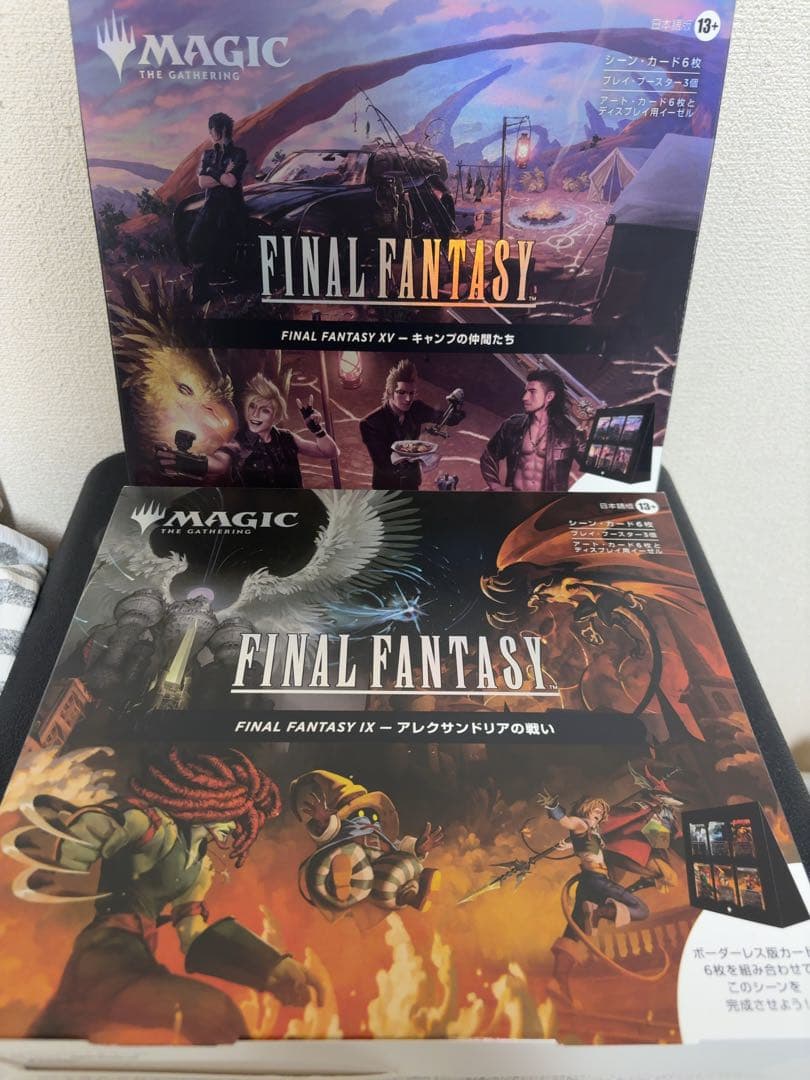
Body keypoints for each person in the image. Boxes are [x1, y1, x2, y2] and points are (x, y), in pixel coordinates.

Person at [27, 748, 319, 1043]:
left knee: (59, 1031)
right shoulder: (152, 827)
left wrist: (270, 966)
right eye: (235, 816)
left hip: (137, 960)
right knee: (212, 1013)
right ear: (212, 801)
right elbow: (94, 828)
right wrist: (61, 865)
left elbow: (192, 935)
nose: (235, 828)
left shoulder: (198, 870)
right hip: (104, 952)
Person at [537, 790, 650, 1005]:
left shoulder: (588, 831)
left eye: (602, 811)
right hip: (597, 882)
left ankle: (558, 981)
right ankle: (599, 912)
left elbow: (585, 845)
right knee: (642, 910)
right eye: (596, 809)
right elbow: (568, 822)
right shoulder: (581, 824)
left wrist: (571, 845)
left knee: (573, 934)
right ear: (586, 809)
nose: (600, 812)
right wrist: (554, 808)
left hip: (588, 884)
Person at [156, 372, 339, 487]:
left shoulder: (287, 438)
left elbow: (331, 453)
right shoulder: (239, 441)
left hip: (292, 512)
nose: (255, 414)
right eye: (252, 406)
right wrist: (184, 461)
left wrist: (317, 430)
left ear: (275, 417)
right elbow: (219, 464)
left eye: (265, 410)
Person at [360, 359, 464, 490]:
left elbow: (446, 419)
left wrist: (456, 405)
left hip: (412, 484)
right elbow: (384, 465)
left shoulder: (416, 408)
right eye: (401, 392)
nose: (408, 399)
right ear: (390, 392)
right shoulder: (371, 423)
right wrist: (419, 460)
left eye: (411, 393)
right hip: (386, 488)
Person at [480, 370, 584, 492]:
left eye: (532, 392)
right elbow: (489, 455)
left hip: (548, 501)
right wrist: (495, 486)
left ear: (549, 396)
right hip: (516, 498)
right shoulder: (513, 425)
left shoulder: (569, 432)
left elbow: (592, 464)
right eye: (526, 391)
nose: (525, 397)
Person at [188, 112, 248, 303]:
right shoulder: (208, 154)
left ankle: (222, 294)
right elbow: (202, 182)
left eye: (211, 129)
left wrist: (211, 171)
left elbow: (231, 182)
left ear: (220, 129)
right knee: (195, 242)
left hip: (230, 209)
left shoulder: (239, 153)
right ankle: (201, 293)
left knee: (223, 249)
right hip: (211, 207)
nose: (210, 133)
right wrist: (222, 173)